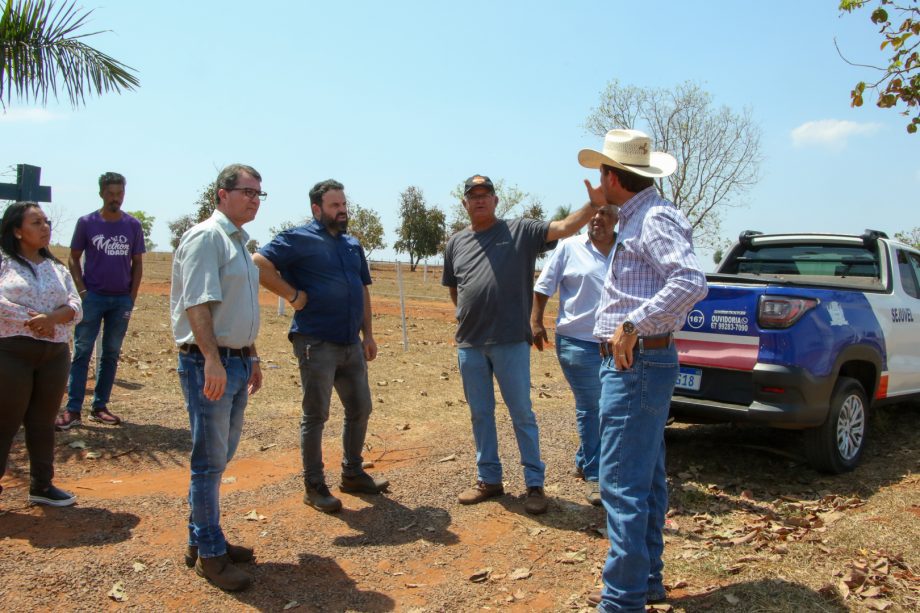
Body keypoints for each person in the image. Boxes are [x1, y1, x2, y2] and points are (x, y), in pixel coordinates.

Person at [579, 130, 707, 611]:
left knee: (621, 484)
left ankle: (622, 600)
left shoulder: (653, 218)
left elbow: (691, 281)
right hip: (642, 362)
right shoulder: (639, 215)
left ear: (613, 176)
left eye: (601, 173)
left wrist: (633, 324)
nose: (598, 180)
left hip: (635, 363)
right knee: (645, 478)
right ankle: (645, 581)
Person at [442, 174, 606, 515]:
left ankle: (534, 484)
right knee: (480, 414)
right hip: (470, 344)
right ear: (465, 203)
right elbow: (455, 288)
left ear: (496, 200)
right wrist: (468, 313)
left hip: (510, 342)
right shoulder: (455, 243)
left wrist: (593, 205)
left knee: (522, 414)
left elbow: (563, 227)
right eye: (473, 195)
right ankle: (489, 479)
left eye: (486, 194)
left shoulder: (520, 231)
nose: (480, 199)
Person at [253, 179, 387, 515]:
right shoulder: (298, 238)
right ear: (317, 209)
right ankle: (313, 486)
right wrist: (292, 295)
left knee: (361, 408)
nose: (342, 211)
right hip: (316, 341)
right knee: (316, 415)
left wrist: (368, 334)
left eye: (344, 205)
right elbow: (258, 263)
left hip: (350, 343)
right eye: (334, 206)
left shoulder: (352, 244)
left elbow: (362, 289)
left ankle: (352, 473)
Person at [171, 164, 264, 591]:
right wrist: (212, 359)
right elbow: (197, 303)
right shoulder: (206, 237)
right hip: (210, 363)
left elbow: (239, 308)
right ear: (222, 195)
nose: (255, 200)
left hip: (237, 361)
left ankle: (201, 540)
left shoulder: (239, 242)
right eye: (247, 191)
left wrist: (252, 355)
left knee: (218, 458)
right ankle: (211, 555)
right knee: (208, 463)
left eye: (259, 193)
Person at [531, 204, 618, 507]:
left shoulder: (627, 249)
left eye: (605, 213)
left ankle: (585, 458)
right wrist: (536, 321)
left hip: (617, 344)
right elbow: (544, 286)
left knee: (610, 406)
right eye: (594, 213)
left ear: (617, 218)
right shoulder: (569, 247)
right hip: (577, 342)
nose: (597, 218)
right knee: (593, 407)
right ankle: (595, 475)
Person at [0, 202, 82, 507]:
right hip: (12, 352)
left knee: (43, 422)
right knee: (5, 422)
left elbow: (76, 305)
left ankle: (42, 485)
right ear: (17, 231)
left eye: (46, 221)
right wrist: (35, 320)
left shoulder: (56, 268)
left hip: (54, 354)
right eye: (36, 223)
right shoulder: (4, 262)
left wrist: (53, 319)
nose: (45, 227)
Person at [55, 172, 145, 430]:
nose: (116, 198)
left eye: (120, 194)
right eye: (111, 194)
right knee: (82, 352)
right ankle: (73, 410)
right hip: (92, 298)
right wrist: (82, 292)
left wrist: (131, 297)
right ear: (101, 194)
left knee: (111, 353)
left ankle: (100, 406)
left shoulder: (133, 225)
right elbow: (73, 258)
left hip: (121, 300)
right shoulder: (87, 223)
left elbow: (138, 263)